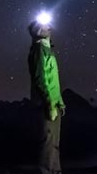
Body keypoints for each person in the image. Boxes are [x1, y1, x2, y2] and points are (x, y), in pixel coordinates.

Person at [28, 21, 66, 174]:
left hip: (54, 104)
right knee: (48, 142)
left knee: (54, 143)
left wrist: (60, 103)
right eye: (44, 26)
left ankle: (55, 171)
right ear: (37, 31)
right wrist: (49, 103)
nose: (49, 27)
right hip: (46, 104)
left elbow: (54, 81)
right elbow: (40, 78)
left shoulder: (48, 50)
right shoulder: (38, 50)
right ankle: (47, 171)